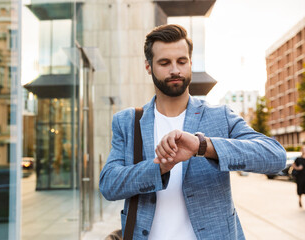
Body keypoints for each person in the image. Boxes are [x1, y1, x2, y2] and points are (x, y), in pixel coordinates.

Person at [99, 24, 286, 239]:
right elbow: (109, 185)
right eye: (164, 63)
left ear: (190, 62)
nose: (175, 70)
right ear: (148, 66)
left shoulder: (220, 116)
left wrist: (203, 146)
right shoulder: (128, 122)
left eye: (181, 61)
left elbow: (275, 157)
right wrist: (159, 167)